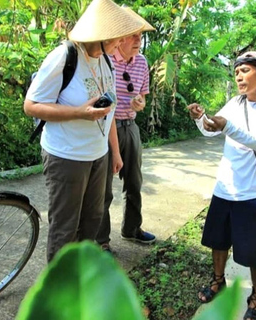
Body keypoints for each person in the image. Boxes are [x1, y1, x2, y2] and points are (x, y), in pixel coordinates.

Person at [24, 0, 145, 262]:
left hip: (97, 155)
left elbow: (109, 113)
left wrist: (114, 152)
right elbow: (31, 106)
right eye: (115, 39)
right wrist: (79, 112)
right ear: (99, 36)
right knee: (65, 227)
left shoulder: (106, 62)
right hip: (66, 155)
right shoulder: (64, 57)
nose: (119, 44)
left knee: (92, 221)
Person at [187, 51, 256, 320]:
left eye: (245, 70)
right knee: (218, 241)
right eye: (236, 72)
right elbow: (212, 129)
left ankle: (255, 298)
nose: (239, 76)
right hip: (224, 188)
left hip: (252, 192)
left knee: (255, 252)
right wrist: (201, 117)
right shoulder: (234, 102)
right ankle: (218, 282)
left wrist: (228, 126)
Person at [95, 7, 156, 252]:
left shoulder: (142, 62)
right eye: (132, 34)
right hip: (104, 129)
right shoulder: (105, 60)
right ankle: (102, 241)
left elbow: (141, 97)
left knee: (134, 181)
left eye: (140, 35)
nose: (137, 39)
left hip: (130, 127)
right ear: (119, 37)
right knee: (102, 189)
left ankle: (132, 228)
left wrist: (139, 103)